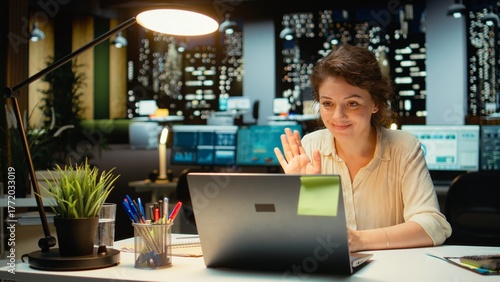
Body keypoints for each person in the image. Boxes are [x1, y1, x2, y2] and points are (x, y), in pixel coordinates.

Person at [274, 44, 451, 252]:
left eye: (352, 104)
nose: (338, 116)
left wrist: (360, 240)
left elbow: (432, 226)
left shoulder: (403, 147)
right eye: (328, 104)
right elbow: (317, 238)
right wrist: (308, 195)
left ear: (375, 103)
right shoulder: (310, 146)